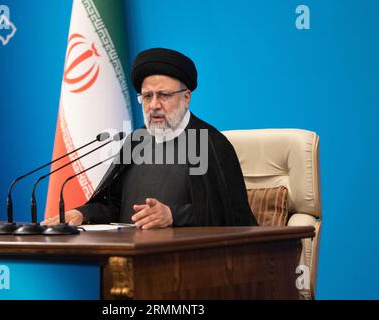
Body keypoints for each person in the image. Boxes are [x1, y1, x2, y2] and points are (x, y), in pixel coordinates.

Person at [41, 48, 257, 229]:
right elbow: (115, 204)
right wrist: (83, 213)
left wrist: (172, 215)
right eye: (147, 96)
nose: (154, 105)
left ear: (186, 97)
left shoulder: (210, 143)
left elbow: (229, 214)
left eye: (163, 95)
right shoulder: (136, 141)